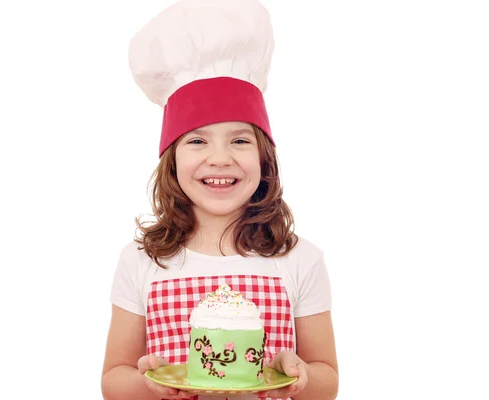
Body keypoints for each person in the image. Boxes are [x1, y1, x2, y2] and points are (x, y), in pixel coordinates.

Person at [101, 1, 338, 399]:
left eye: (240, 140)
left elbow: (328, 379)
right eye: (197, 140)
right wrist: (149, 385)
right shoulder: (142, 260)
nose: (220, 158)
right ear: (172, 161)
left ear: (264, 157)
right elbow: (113, 379)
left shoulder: (299, 258)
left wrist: (300, 375)